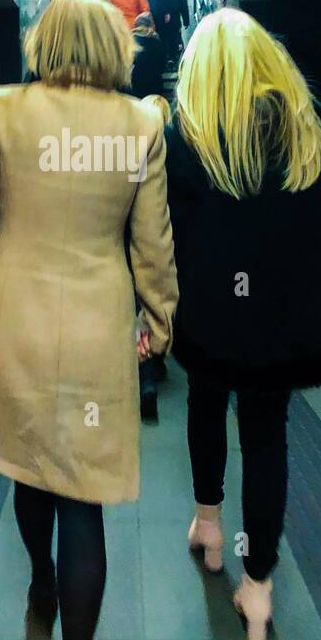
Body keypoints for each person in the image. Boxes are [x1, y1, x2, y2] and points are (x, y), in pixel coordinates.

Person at [0, 0, 178, 640]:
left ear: (42, 43)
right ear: (114, 48)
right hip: (99, 321)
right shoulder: (142, 124)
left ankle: (40, 580)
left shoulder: (3, 109)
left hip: (18, 320)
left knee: (29, 464)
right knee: (83, 494)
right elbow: (153, 242)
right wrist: (159, 319)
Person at [165, 8, 321, 640]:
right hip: (278, 326)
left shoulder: (188, 138)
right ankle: (257, 590)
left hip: (209, 320)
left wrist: (152, 310)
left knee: (205, 407)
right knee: (266, 440)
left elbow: (165, 236)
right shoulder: (302, 133)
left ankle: (208, 528)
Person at [136, 94, 173, 420]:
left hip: (131, 244)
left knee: (136, 309)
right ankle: (155, 362)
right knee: (156, 306)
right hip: (166, 244)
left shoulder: (133, 151)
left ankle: (143, 375)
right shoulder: (174, 150)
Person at [127, 13, 167, 100]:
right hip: (155, 84)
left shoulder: (130, 42)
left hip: (136, 85)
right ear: (150, 25)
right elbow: (163, 64)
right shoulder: (156, 42)